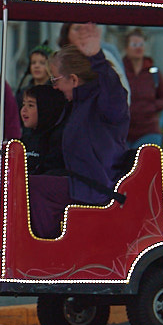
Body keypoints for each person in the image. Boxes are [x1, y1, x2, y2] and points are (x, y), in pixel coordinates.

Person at [28, 24, 129, 238]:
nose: (54, 86)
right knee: (25, 181)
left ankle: (47, 251)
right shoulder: (76, 105)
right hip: (80, 182)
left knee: (33, 189)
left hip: (97, 187)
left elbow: (115, 93)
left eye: (55, 79)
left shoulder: (104, 103)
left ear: (73, 79)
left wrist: (97, 57)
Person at [58, 21, 130, 105]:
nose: (83, 32)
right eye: (77, 29)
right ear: (67, 34)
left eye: (86, 29)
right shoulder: (59, 60)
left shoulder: (106, 56)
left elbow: (123, 92)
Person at [123, 28, 163, 148]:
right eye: (134, 44)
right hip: (123, 131)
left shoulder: (153, 72)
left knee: (145, 164)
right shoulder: (119, 70)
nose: (138, 48)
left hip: (148, 130)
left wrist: (151, 106)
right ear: (126, 47)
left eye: (141, 44)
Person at [19, 84, 68, 176]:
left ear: (45, 108)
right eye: (23, 104)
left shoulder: (56, 140)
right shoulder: (25, 139)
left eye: (30, 105)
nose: (24, 110)